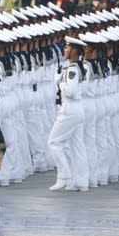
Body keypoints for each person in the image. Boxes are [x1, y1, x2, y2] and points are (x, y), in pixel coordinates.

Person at [48, 36, 89, 192]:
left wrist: (60, 83)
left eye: (67, 48)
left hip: (70, 109)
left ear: (74, 51)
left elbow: (70, 91)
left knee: (54, 142)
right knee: (77, 146)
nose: (65, 50)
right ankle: (80, 181)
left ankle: (64, 177)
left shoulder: (72, 69)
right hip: (77, 109)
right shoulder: (78, 67)